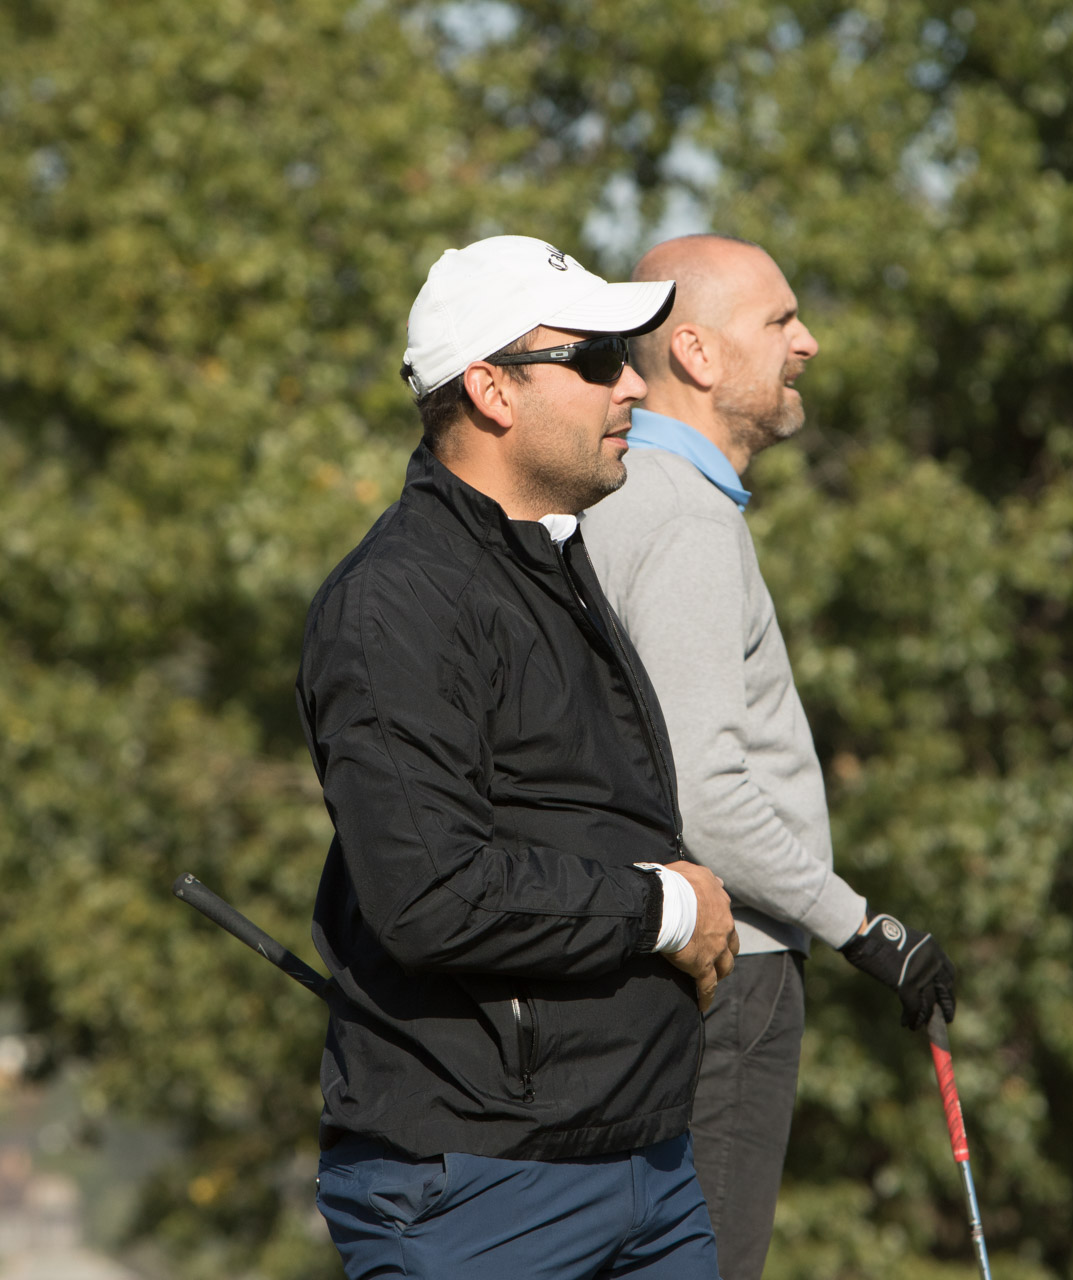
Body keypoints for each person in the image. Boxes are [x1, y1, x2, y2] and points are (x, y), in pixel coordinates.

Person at [294, 234, 742, 1279]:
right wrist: (666, 909)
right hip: (480, 1185)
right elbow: (431, 891)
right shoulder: (395, 603)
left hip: (646, 1163)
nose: (633, 384)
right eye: (595, 360)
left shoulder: (551, 560)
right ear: (491, 389)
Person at [582, 233, 961, 1280]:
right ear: (697, 353)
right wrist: (866, 929)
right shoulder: (686, 519)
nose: (809, 343)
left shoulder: (611, 495)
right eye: (780, 320)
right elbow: (705, 795)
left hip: (643, 960)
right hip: (727, 970)